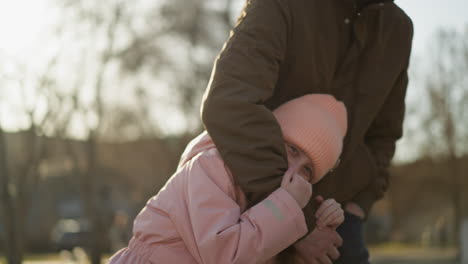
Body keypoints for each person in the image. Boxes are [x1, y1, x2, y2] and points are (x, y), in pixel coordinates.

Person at [200, 0, 413, 262]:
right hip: (253, 212)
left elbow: (385, 133)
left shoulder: (398, 29)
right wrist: (297, 220)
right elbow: (228, 104)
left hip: (341, 226)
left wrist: (360, 206)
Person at [109, 94, 347, 264]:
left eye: (307, 170)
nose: (293, 170)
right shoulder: (212, 165)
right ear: (271, 138)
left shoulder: (270, 196)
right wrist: (286, 207)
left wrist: (313, 229)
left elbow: (257, 251)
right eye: (292, 150)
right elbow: (224, 255)